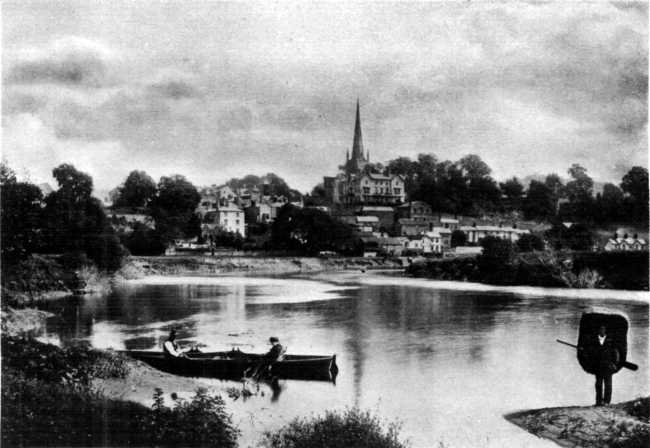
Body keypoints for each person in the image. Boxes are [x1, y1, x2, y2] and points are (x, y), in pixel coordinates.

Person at [592, 325, 619, 406]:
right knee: (598, 384)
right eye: (600, 330)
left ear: (605, 331)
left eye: (603, 330)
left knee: (608, 385)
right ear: (598, 331)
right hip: (598, 366)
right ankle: (598, 401)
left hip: (608, 366)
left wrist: (614, 363)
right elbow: (591, 352)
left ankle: (607, 401)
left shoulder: (610, 340)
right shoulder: (594, 341)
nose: (602, 331)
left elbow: (615, 353)